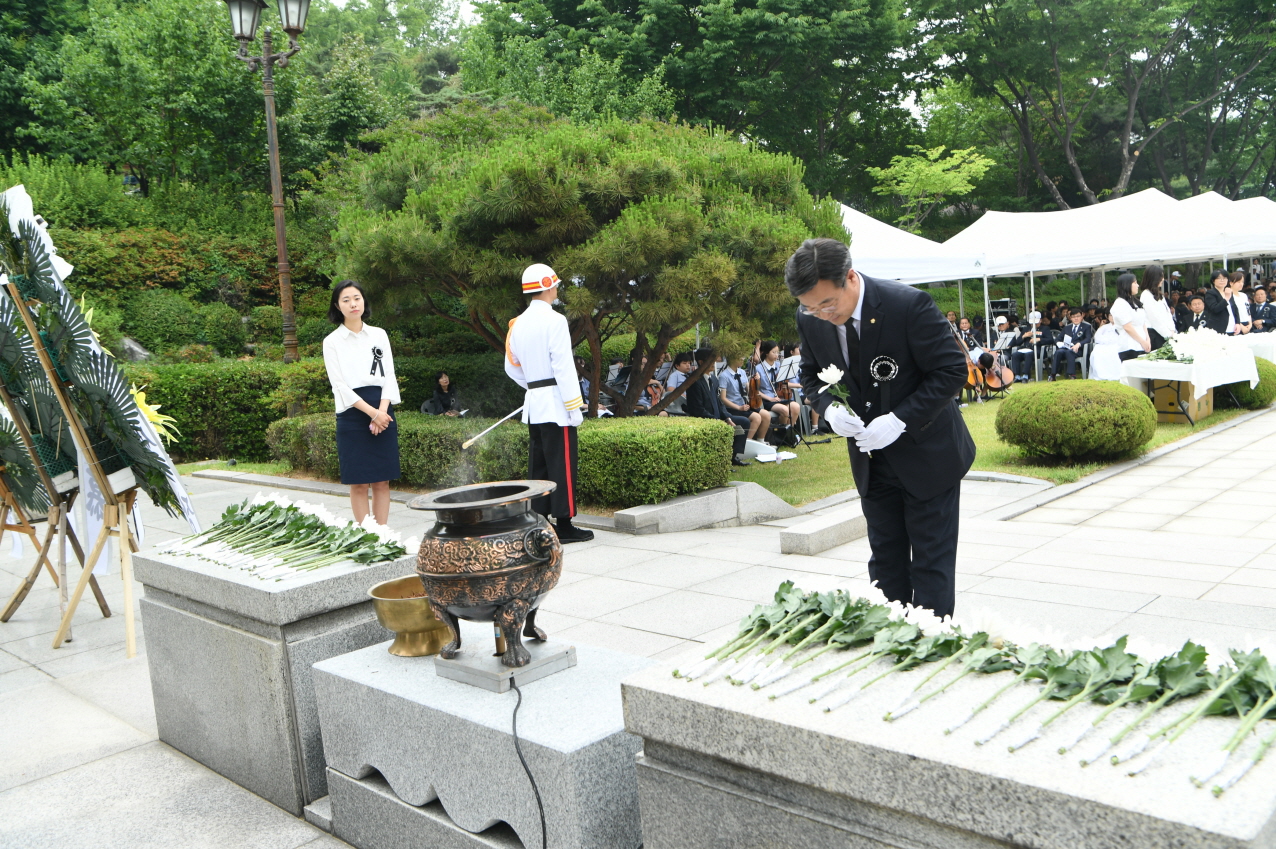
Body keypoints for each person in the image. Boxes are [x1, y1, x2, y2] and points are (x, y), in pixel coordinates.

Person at [787, 238, 975, 618]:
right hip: (871, 460)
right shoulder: (810, 318)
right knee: (885, 562)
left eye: (827, 304)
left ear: (850, 278)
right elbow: (810, 375)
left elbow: (951, 370)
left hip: (927, 455)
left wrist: (900, 419)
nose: (820, 314)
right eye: (809, 307)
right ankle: (889, 637)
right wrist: (829, 408)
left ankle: (929, 643)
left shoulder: (907, 305)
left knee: (930, 562)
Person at [504, 263, 593, 544]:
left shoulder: (517, 323)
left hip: (535, 402)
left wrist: (533, 387)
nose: (557, 288)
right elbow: (563, 366)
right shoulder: (555, 321)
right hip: (556, 404)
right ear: (549, 286)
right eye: (555, 284)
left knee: (540, 466)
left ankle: (540, 524)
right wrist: (574, 405)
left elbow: (511, 367)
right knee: (562, 465)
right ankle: (564, 526)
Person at [322, 280, 401, 526]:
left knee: (381, 480)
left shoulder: (379, 334)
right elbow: (339, 385)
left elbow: (389, 375)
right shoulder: (332, 341)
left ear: (363, 301)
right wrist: (371, 413)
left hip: (383, 410)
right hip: (352, 413)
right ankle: (367, 537)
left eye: (356, 297)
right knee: (358, 482)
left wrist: (382, 412)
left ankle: (382, 535)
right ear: (338, 306)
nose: (353, 303)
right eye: (346, 300)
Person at [685, 348, 750, 466]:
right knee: (725, 427)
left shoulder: (713, 379)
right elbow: (697, 409)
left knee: (744, 422)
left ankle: (733, 456)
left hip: (718, 416)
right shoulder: (694, 381)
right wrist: (718, 421)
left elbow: (719, 402)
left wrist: (727, 418)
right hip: (704, 419)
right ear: (701, 362)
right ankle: (721, 461)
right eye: (710, 361)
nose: (714, 364)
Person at [720, 356, 771, 441]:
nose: (743, 359)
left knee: (766, 415)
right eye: (740, 357)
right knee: (756, 417)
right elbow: (723, 398)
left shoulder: (742, 372)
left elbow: (750, 391)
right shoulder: (724, 376)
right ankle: (746, 444)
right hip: (732, 408)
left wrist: (756, 381)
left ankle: (761, 441)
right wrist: (739, 408)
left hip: (744, 405)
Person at [757, 340, 801, 433]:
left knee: (795, 406)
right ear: (766, 353)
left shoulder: (780, 365)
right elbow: (756, 390)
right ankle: (781, 435)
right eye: (774, 352)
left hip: (780, 397)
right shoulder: (759, 368)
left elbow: (784, 383)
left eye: (777, 352)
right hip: (767, 399)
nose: (776, 355)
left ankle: (789, 433)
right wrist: (770, 398)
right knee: (785, 410)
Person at [1111, 272, 1152, 362]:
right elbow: (1127, 327)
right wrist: (1142, 341)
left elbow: (1142, 323)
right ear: (1127, 285)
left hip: (1142, 345)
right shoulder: (1120, 304)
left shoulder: (1135, 302)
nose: (1137, 285)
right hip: (1129, 347)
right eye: (1134, 283)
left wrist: (1147, 339)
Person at [1050, 308, 1093, 379]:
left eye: (1078, 316)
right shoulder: (1067, 328)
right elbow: (1058, 339)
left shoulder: (1086, 327)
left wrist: (1078, 344)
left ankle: (1072, 374)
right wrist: (1059, 343)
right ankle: (1053, 375)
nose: (1076, 318)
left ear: (1082, 316)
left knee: (1070, 352)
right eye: (1073, 317)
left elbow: (1088, 339)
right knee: (1058, 352)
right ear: (1070, 318)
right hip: (1066, 348)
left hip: (1078, 350)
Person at [1139, 264, 1175, 350]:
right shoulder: (1146, 295)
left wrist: (1172, 330)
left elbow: (1168, 314)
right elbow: (1154, 318)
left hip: (1165, 333)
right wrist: (1168, 334)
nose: (1163, 279)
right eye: (1161, 277)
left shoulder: (1158, 295)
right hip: (1155, 334)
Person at [1089, 308, 1123, 380]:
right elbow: (1097, 337)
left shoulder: (1122, 326)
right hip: (1103, 345)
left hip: (1117, 345)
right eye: (1111, 315)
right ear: (1107, 316)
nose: (1113, 317)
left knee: (1114, 352)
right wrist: (1106, 341)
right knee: (1096, 352)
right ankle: (1100, 374)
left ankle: (1115, 374)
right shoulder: (1104, 327)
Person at [1204, 269, 1240, 334]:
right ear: (1213, 280)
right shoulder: (1210, 293)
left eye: (1224, 278)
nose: (1222, 280)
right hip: (1218, 327)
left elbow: (1234, 308)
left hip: (1232, 326)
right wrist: (1226, 298)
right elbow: (1215, 309)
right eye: (1219, 278)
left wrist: (1237, 323)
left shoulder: (1228, 291)